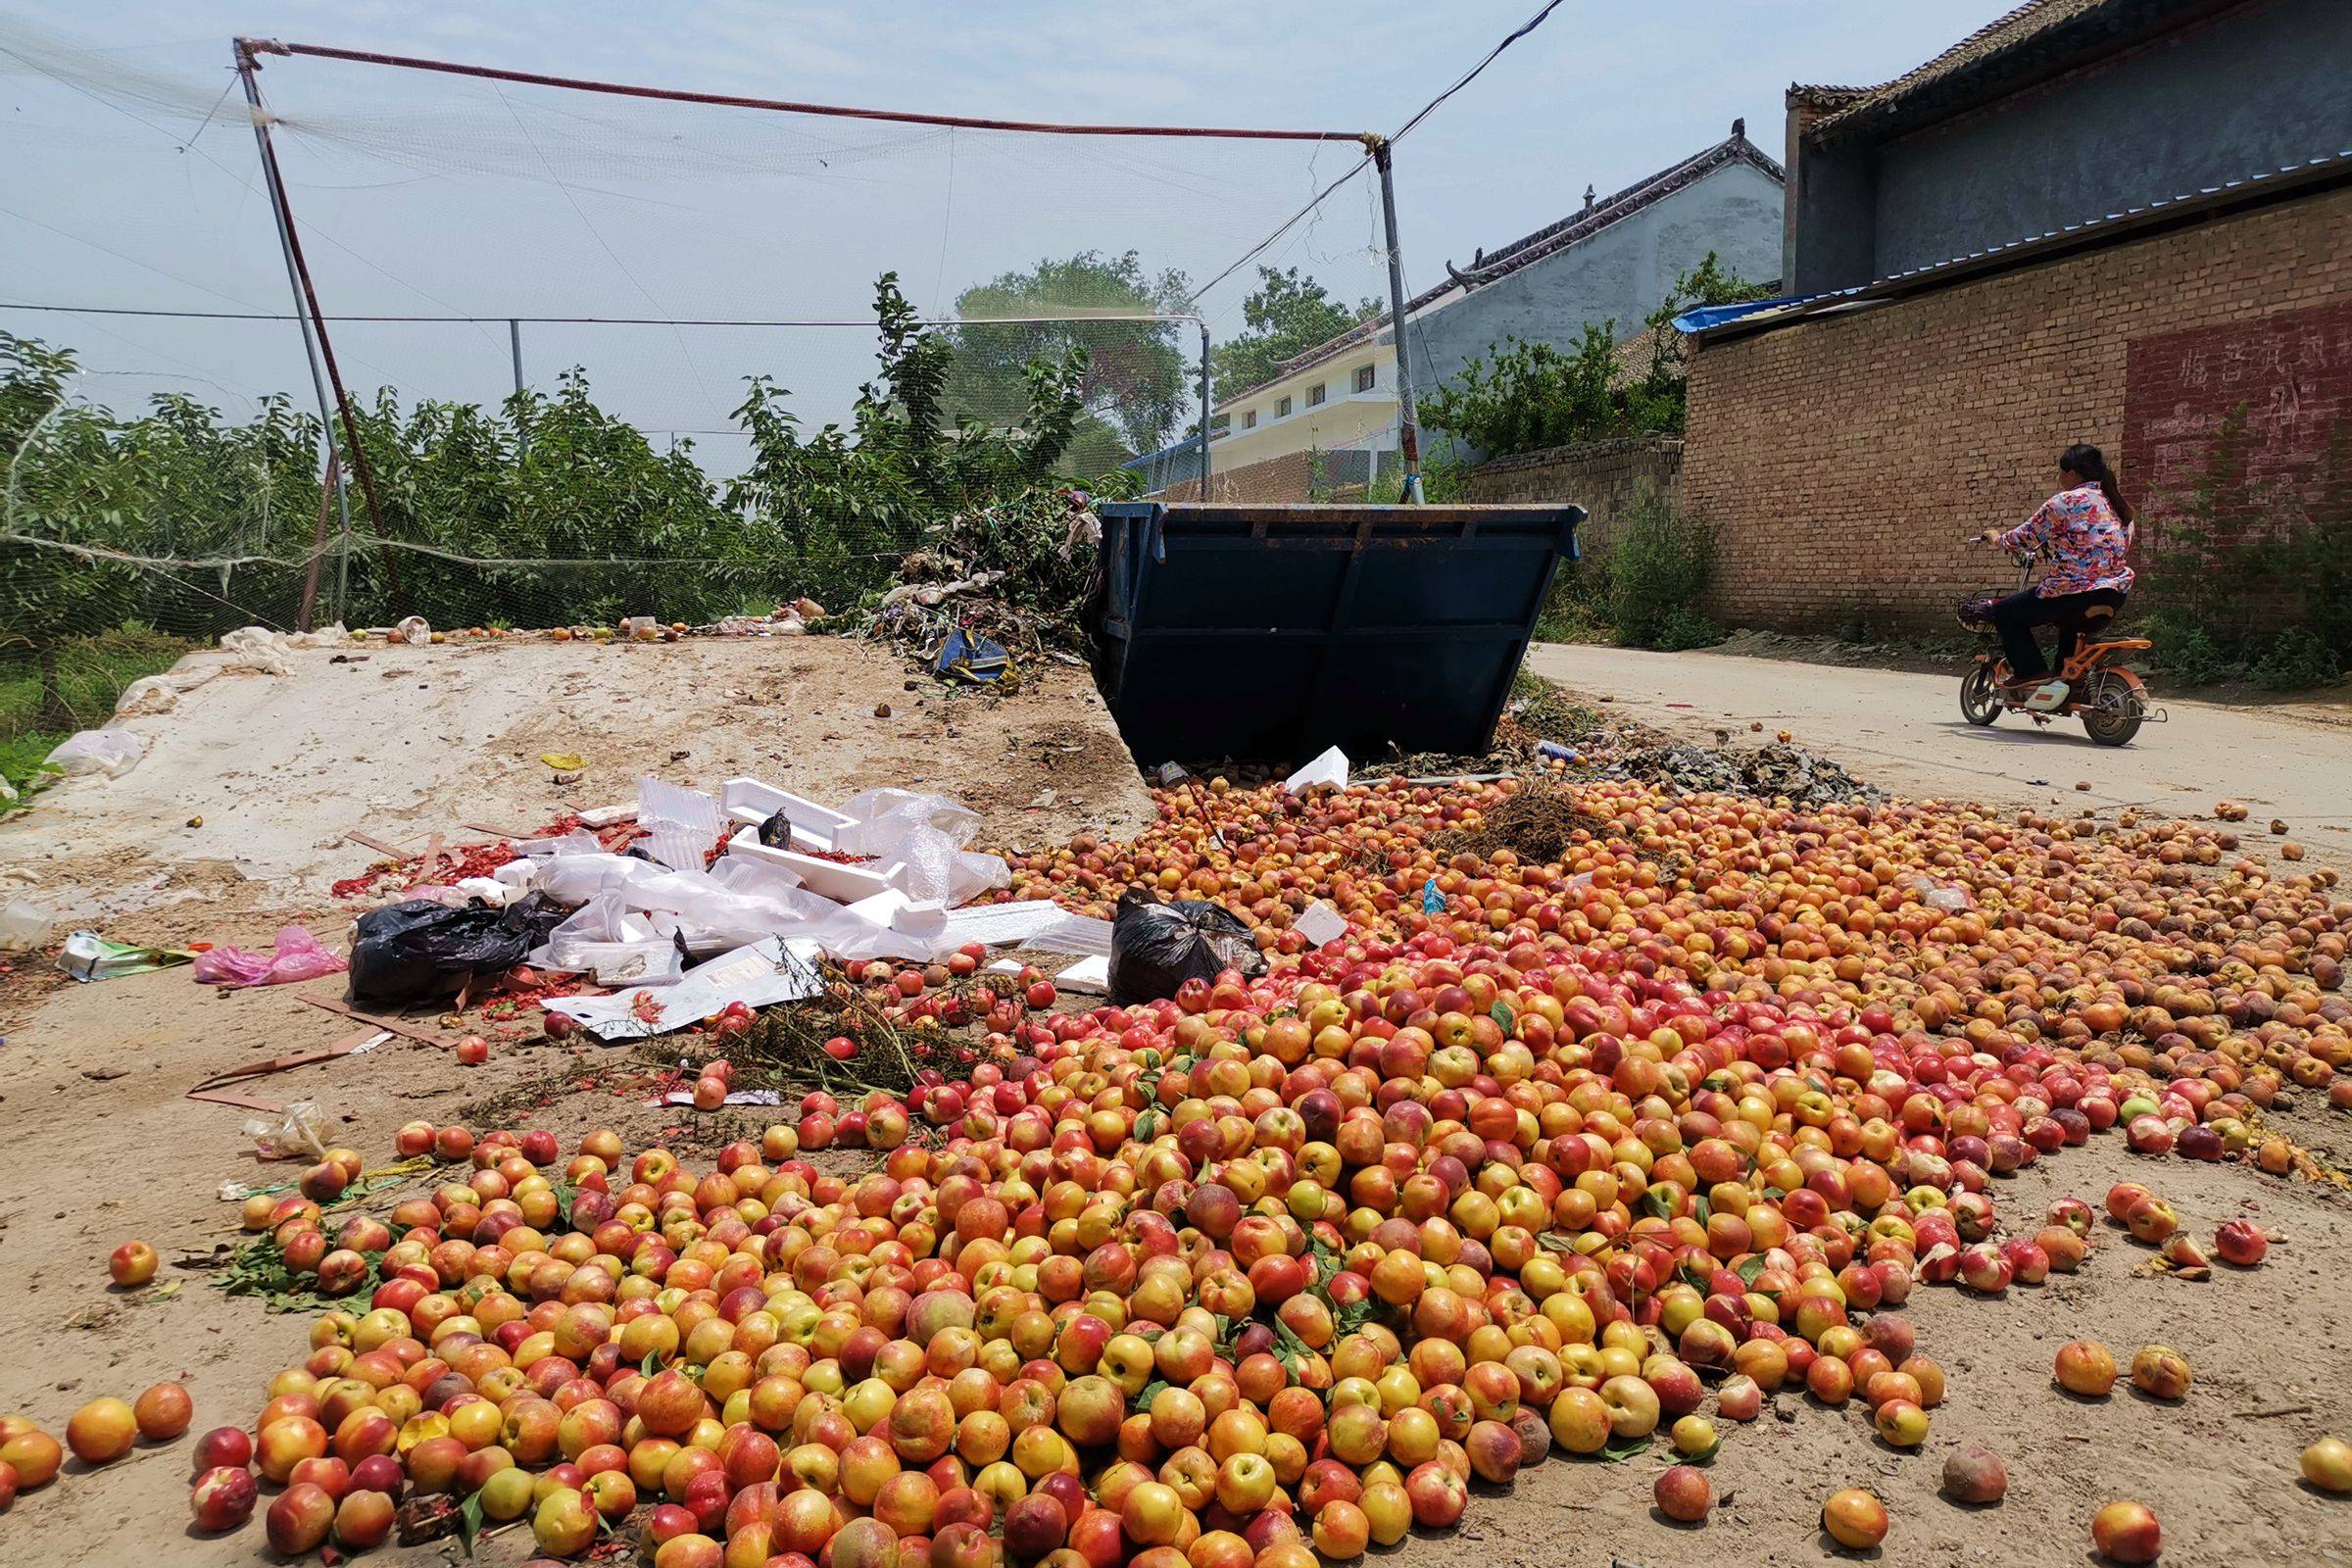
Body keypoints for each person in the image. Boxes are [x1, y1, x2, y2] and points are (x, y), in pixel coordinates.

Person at [1976, 443, 2135, 693]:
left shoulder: (2066, 502)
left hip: (2072, 594)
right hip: (2114, 593)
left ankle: (2031, 672)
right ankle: (2066, 683)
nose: (2059, 478)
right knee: (2069, 623)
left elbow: (2024, 537)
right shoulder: (2118, 505)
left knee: (2005, 611)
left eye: (2060, 472)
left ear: (2072, 473)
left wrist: (1997, 538)